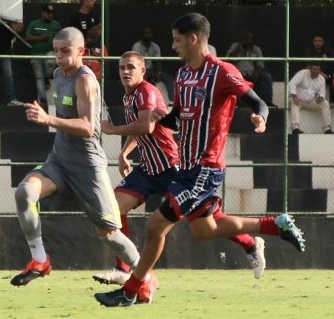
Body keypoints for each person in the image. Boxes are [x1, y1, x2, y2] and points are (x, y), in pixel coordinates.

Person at [94, 13, 306, 307]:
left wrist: (261, 116)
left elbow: (256, 100)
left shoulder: (222, 71)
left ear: (193, 38)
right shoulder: (182, 75)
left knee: (156, 226)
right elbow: (178, 116)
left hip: (205, 168)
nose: (173, 45)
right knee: (204, 229)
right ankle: (274, 226)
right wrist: (162, 118)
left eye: (177, 39)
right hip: (186, 166)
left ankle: (132, 289)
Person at [93, 51, 266, 285]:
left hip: (172, 168)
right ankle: (123, 269)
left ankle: (251, 244)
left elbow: (145, 125)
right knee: (113, 207)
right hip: (147, 170)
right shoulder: (129, 96)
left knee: (206, 220)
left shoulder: (146, 92)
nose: (125, 71)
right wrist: (125, 153)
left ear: (142, 71)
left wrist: (111, 130)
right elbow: (140, 127)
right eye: (122, 67)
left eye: (131, 67)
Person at [10, 27, 141, 293]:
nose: (58, 56)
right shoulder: (58, 74)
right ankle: (39, 260)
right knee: (24, 192)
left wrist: (48, 119)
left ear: (80, 51)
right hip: (59, 160)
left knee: (111, 234)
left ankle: (143, 273)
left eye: (65, 51)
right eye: (56, 51)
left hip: (87, 167)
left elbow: (88, 127)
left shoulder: (85, 80)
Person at [25, 4, 62, 110]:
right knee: (39, 76)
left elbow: (62, 37)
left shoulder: (56, 25)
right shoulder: (34, 24)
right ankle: (43, 99)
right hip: (36, 53)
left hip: (50, 52)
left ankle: (47, 78)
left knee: (50, 62)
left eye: (52, 14)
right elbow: (28, 37)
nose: (50, 15)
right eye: (48, 13)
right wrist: (41, 38)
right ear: (42, 13)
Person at [226, 30, 277, 107]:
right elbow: (228, 61)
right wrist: (239, 49)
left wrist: (255, 75)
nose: (248, 41)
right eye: (246, 39)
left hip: (252, 74)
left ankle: (267, 102)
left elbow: (260, 65)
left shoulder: (256, 49)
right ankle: (229, 102)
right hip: (237, 74)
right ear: (242, 39)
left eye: (250, 39)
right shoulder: (235, 47)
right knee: (228, 76)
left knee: (266, 76)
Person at [289, 62, 334, 134]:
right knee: (294, 104)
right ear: (310, 69)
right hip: (298, 100)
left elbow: (322, 93)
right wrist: (294, 96)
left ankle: (327, 128)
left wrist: (320, 98)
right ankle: (295, 128)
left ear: (320, 71)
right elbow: (292, 84)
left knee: (325, 103)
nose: (316, 71)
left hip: (311, 102)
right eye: (314, 69)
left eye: (318, 69)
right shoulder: (302, 73)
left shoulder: (321, 79)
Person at [132, 26, 175, 101]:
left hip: (151, 70)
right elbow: (135, 63)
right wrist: (142, 73)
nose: (147, 35)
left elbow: (158, 62)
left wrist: (159, 73)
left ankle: (172, 101)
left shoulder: (155, 47)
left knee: (169, 78)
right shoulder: (137, 46)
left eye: (149, 33)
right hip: (140, 70)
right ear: (142, 35)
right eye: (145, 33)